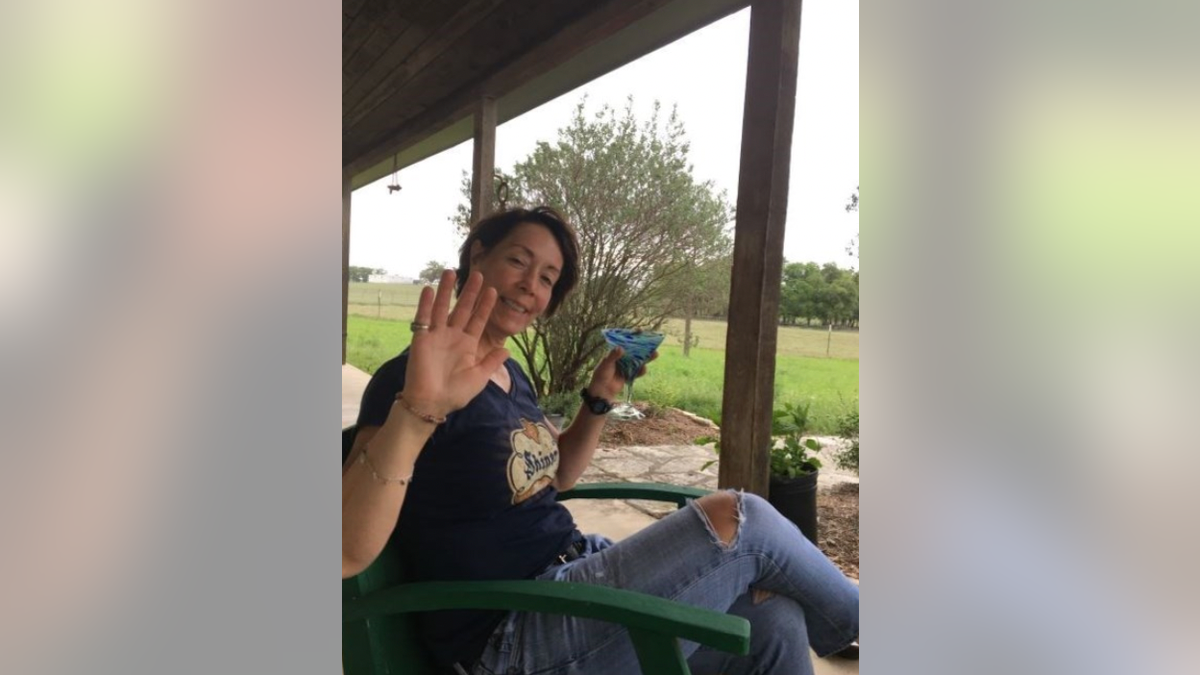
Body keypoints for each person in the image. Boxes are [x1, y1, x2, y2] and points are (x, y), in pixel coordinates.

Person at [342, 206, 859, 675]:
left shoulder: (509, 373)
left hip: (574, 575)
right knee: (740, 517)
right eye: (519, 261)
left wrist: (599, 398)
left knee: (774, 620)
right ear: (479, 255)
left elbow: (557, 476)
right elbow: (347, 543)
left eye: (547, 277)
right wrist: (419, 412)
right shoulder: (409, 381)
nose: (531, 286)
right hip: (510, 631)